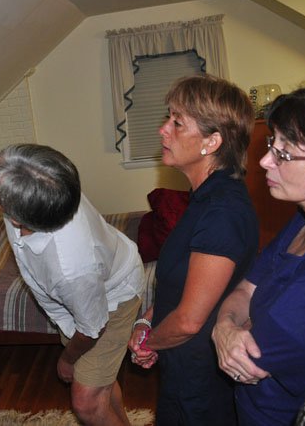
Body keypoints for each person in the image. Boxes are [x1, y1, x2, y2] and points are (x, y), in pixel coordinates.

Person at [211, 74, 305, 426]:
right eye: (272, 144)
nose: (265, 161)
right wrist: (225, 326)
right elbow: (247, 287)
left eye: (282, 152)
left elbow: (252, 360)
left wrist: (231, 325)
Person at [128, 75, 259, 425]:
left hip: (200, 381)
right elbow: (181, 282)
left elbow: (188, 321)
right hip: (184, 369)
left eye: (177, 122)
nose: (162, 130)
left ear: (212, 142)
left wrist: (149, 344)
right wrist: (145, 320)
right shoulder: (205, 198)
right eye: (167, 118)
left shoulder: (222, 212)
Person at [0, 143, 145, 426]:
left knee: (85, 402)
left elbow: (92, 328)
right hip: (88, 288)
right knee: (98, 388)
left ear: (15, 217)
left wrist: (68, 359)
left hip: (113, 294)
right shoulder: (43, 187)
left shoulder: (71, 268)